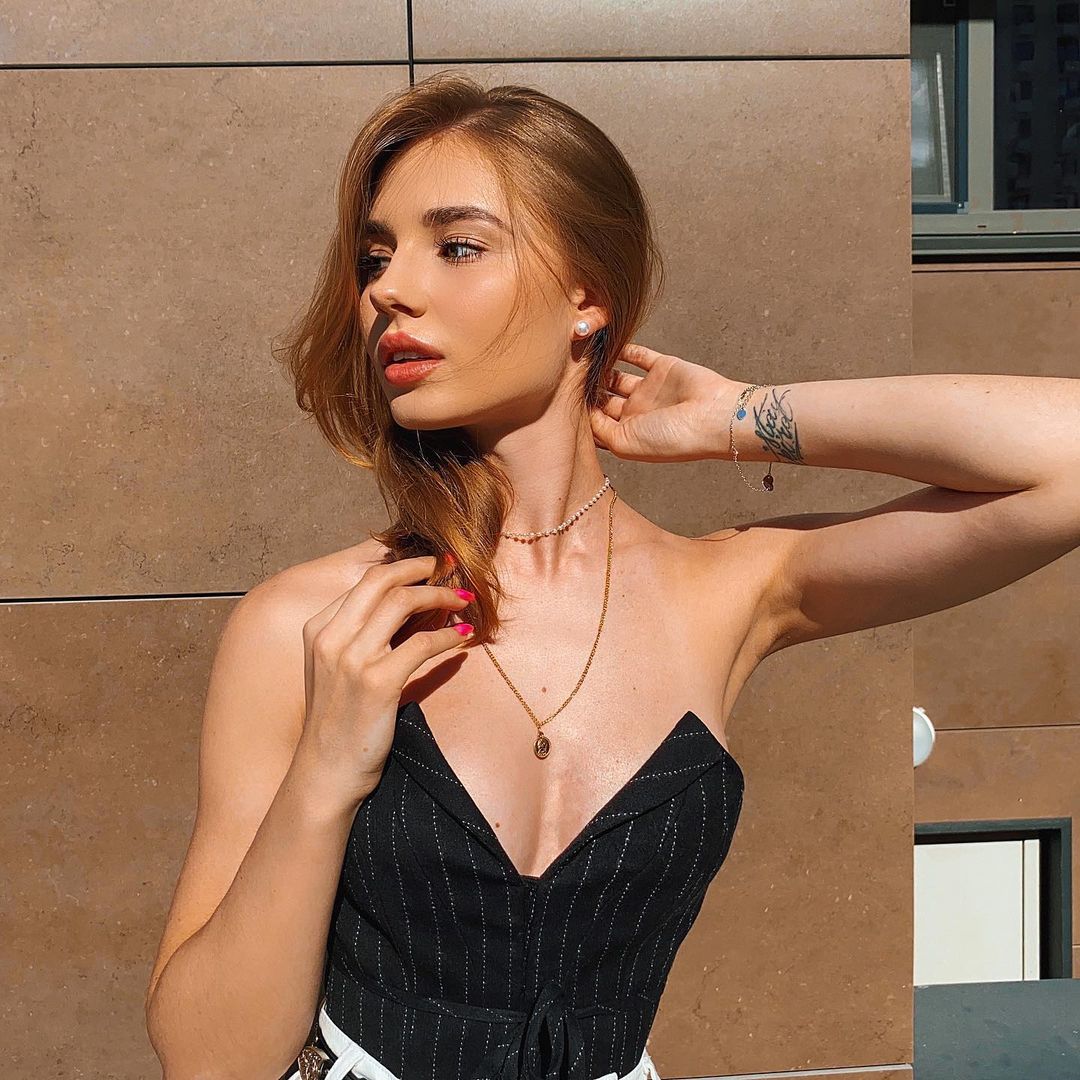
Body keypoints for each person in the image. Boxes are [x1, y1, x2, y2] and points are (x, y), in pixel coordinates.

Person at [143, 72, 1080, 1080]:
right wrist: (326, 771)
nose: (388, 290)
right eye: (377, 256)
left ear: (587, 296)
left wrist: (736, 418)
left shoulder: (727, 590)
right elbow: (206, 1062)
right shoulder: (312, 625)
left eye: (456, 246)